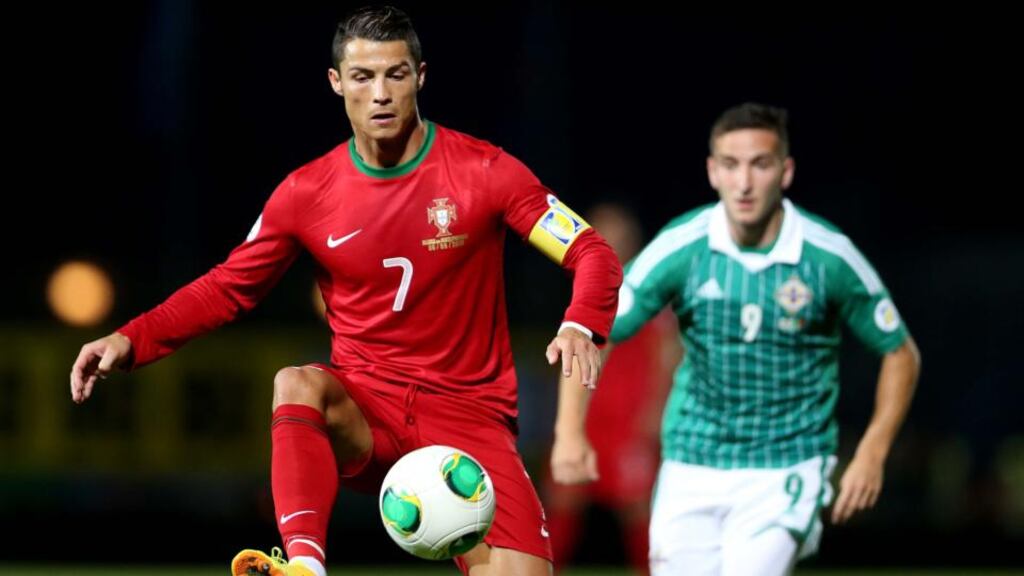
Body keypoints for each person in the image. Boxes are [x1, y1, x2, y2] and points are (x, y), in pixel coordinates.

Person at [68, 6, 622, 576]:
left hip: (470, 418)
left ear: (420, 76)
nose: (380, 93)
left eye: (395, 74)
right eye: (362, 77)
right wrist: (132, 339)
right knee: (297, 383)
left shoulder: (485, 171)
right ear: (336, 82)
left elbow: (592, 252)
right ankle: (305, 565)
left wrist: (580, 322)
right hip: (368, 410)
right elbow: (228, 288)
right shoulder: (306, 193)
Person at [553, 102, 921, 575]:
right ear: (713, 171)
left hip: (785, 465)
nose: (744, 182)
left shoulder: (827, 256)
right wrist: (568, 432)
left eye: (759, 164)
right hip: (692, 462)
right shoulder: (683, 246)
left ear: (785, 172)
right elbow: (590, 328)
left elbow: (900, 353)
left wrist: (873, 450)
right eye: (731, 164)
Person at [544, 203, 680, 574]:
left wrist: (655, 411)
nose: (610, 245)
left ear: (633, 244)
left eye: (617, 237)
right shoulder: (586, 292)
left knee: (638, 509)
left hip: (628, 422)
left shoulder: (648, 295)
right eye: (602, 236)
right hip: (587, 416)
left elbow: (668, 355)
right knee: (562, 501)